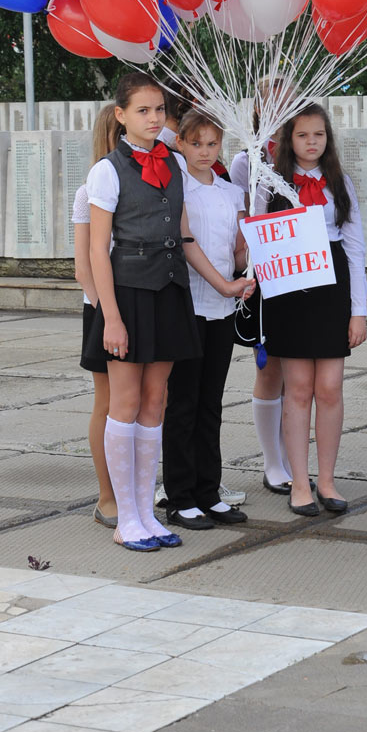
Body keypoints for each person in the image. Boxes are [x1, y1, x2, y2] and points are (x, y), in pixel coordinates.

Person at [84, 71, 252, 553]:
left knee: (156, 401)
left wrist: (226, 279)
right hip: (128, 293)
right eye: (142, 110)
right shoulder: (107, 171)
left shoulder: (173, 165)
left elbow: (183, 235)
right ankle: (126, 518)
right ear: (121, 116)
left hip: (170, 291)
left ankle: (145, 513)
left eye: (159, 110)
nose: (154, 118)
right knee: (126, 403)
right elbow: (99, 252)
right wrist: (110, 318)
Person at [264, 103, 367, 516]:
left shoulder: (339, 183)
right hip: (289, 288)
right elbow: (258, 236)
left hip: (331, 286)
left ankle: (327, 479)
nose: (311, 142)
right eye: (303, 135)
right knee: (299, 389)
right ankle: (299, 482)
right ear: (290, 140)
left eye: (319, 135)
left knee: (329, 387)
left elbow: (357, 247)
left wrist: (358, 310)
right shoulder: (270, 183)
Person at [162, 110, 250, 529]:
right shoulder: (176, 188)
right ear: (179, 143)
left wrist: (262, 254)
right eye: (195, 143)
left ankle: (208, 491)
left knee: (211, 402)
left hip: (222, 307)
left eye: (212, 144)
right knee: (183, 403)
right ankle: (179, 497)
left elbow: (236, 251)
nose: (204, 151)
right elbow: (185, 243)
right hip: (188, 307)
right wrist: (224, 284)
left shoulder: (231, 193)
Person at [229, 78, 295, 496]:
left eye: (289, 101)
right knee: (271, 369)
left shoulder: (310, 154)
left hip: (303, 275)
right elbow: (240, 221)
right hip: (266, 275)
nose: (282, 109)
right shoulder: (244, 161)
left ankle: (294, 458)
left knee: (301, 373)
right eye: (273, 102)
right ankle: (273, 462)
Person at [72, 104, 121, 528]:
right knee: (106, 403)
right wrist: (106, 311)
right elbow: (84, 265)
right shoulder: (90, 188)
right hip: (104, 311)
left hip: (142, 305)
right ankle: (107, 496)